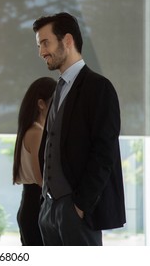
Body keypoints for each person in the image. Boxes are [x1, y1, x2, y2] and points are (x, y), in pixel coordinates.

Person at [32, 12, 126, 245]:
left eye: (46, 43)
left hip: (76, 210)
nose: (41, 52)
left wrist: (81, 205)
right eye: (39, 45)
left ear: (68, 40)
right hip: (49, 210)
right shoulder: (58, 90)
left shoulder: (99, 87)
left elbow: (105, 152)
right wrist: (46, 203)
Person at [12, 77, 56, 246]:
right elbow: (40, 179)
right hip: (36, 206)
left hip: (30, 203)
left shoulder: (32, 130)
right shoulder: (36, 132)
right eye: (55, 101)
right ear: (41, 104)